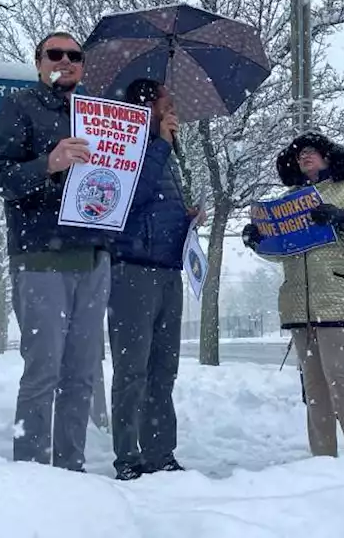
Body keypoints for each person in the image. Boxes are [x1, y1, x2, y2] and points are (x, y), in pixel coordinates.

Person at [0, 31, 111, 471]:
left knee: (82, 375)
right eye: (54, 53)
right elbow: (1, 179)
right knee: (43, 373)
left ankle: (71, 469)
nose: (65, 60)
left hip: (95, 257)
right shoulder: (20, 106)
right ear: (39, 62)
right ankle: (32, 473)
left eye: (74, 55)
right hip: (39, 256)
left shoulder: (100, 116)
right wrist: (49, 163)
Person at [242, 132, 344, 461]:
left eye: (311, 151)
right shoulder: (289, 199)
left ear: (328, 155)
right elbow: (283, 253)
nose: (305, 157)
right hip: (298, 302)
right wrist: (258, 241)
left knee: (340, 376)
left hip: (340, 296)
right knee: (314, 386)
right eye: (299, 154)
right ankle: (323, 459)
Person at [106, 79, 203, 480]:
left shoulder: (172, 155)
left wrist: (189, 220)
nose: (175, 110)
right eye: (169, 103)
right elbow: (129, 197)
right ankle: (128, 457)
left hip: (168, 270)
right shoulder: (123, 148)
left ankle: (161, 451)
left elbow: (160, 205)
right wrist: (160, 143)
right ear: (148, 107)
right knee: (132, 370)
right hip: (132, 269)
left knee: (164, 370)